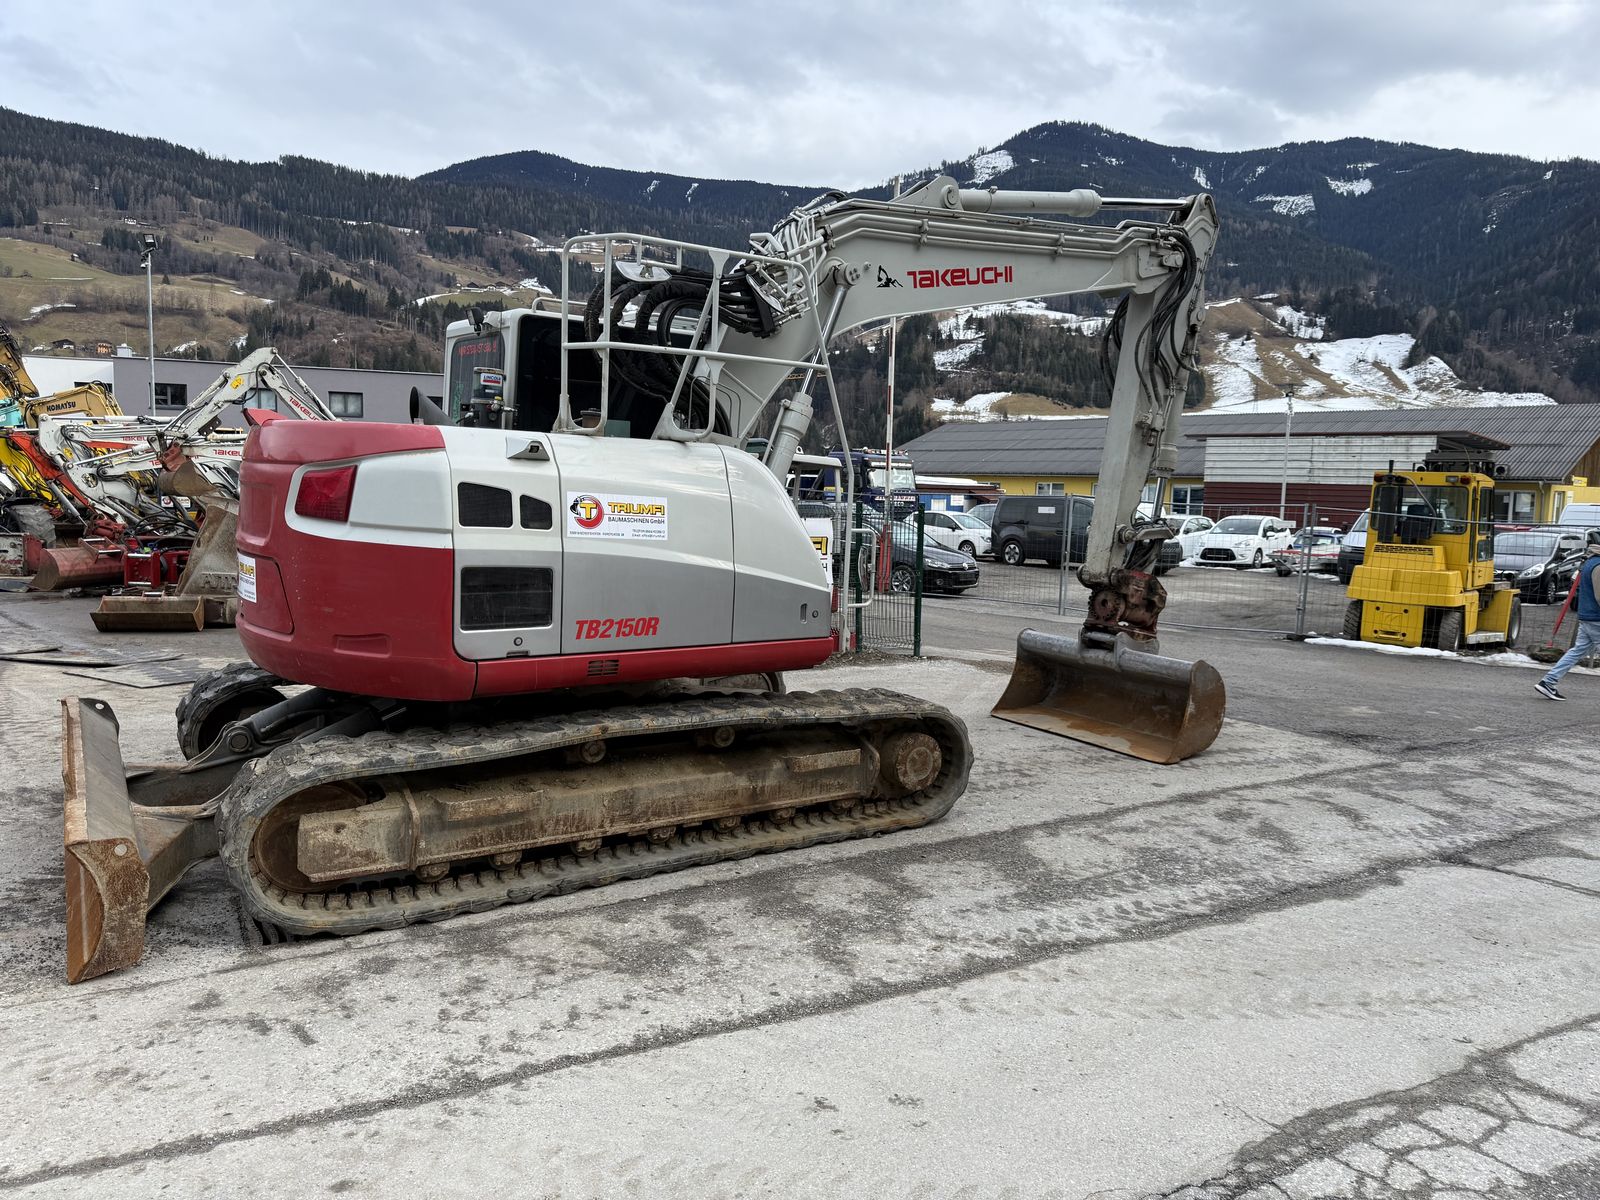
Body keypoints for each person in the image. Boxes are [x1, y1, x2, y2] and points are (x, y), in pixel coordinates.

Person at [1536, 528, 1600, 700]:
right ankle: (1548, 681)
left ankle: (1548, 681)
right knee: (1577, 651)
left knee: (1576, 652)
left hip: (1587, 616)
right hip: (1596, 618)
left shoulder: (1590, 563)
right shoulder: (1598, 565)